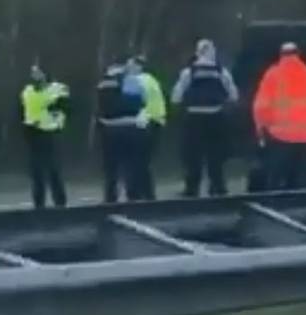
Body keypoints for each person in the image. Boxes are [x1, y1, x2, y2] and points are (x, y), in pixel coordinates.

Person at [252, 42, 306, 190]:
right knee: (305, 180)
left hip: (280, 136)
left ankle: (276, 206)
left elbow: (261, 106)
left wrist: (261, 129)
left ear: (281, 55)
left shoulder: (272, 75)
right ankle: (305, 209)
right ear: (298, 54)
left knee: (276, 179)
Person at [171, 39, 239, 197]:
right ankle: (218, 187)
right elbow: (233, 95)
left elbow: (176, 95)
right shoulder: (221, 71)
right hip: (215, 117)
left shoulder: (189, 71)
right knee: (215, 155)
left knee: (193, 156)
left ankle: (192, 188)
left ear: (197, 52)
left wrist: (180, 109)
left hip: (193, 118)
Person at [20, 65, 69, 209]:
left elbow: (66, 106)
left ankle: (60, 204)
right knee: (37, 173)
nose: (35, 75)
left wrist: (56, 106)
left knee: (54, 171)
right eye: (33, 73)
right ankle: (39, 205)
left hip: (51, 133)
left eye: (38, 72)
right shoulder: (28, 90)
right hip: (34, 133)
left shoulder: (58, 88)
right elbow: (23, 110)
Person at [95, 61, 143, 203]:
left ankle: (110, 198)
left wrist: (101, 122)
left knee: (111, 167)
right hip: (131, 126)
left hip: (110, 127)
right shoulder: (132, 80)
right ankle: (133, 196)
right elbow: (139, 102)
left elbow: (101, 106)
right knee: (131, 164)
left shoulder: (103, 82)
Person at [126, 55, 166, 201]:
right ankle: (147, 194)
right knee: (143, 161)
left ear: (138, 67)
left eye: (130, 66)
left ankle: (136, 194)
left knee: (136, 161)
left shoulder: (135, 81)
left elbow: (130, 103)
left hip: (144, 123)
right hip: (156, 122)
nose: (128, 69)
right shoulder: (151, 79)